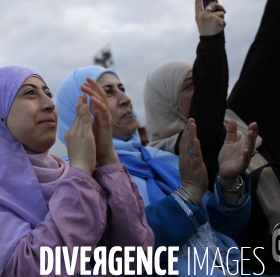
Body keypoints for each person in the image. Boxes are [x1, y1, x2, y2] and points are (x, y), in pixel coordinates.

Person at [143, 0, 280, 273]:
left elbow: (268, 55)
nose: (200, 88)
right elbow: (206, 114)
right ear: (166, 101)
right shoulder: (166, 159)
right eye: (189, 84)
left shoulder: (237, 118)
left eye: (200, 79)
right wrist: (211, 42)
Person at [0, 66, 153, 276]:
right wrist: (81, 173)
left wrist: (107, 157)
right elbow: (28, 270)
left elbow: (134, 259)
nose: (49, 104)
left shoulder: (70, 175)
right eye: (30, 93)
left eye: (48, 94)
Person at [56, 66, 259, 275]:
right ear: (79, 111)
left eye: (121, 88)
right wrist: (187, 195)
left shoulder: (162, 160)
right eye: (108, 92)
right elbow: (126, 254)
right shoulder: (82, 181)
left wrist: (228, 182)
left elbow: (222, 233)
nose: (125, 98)